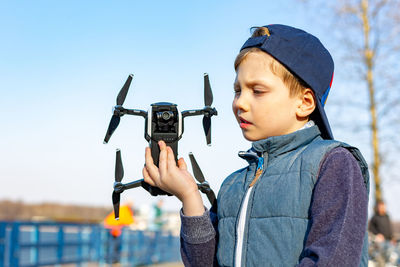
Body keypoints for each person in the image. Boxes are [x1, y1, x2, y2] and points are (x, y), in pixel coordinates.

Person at [142, 24, 370, 266]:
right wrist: (189, 197)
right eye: (237, 90)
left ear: (304, 102)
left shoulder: (334, 164)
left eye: (257, 90)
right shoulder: (233, 184)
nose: (240, 102)